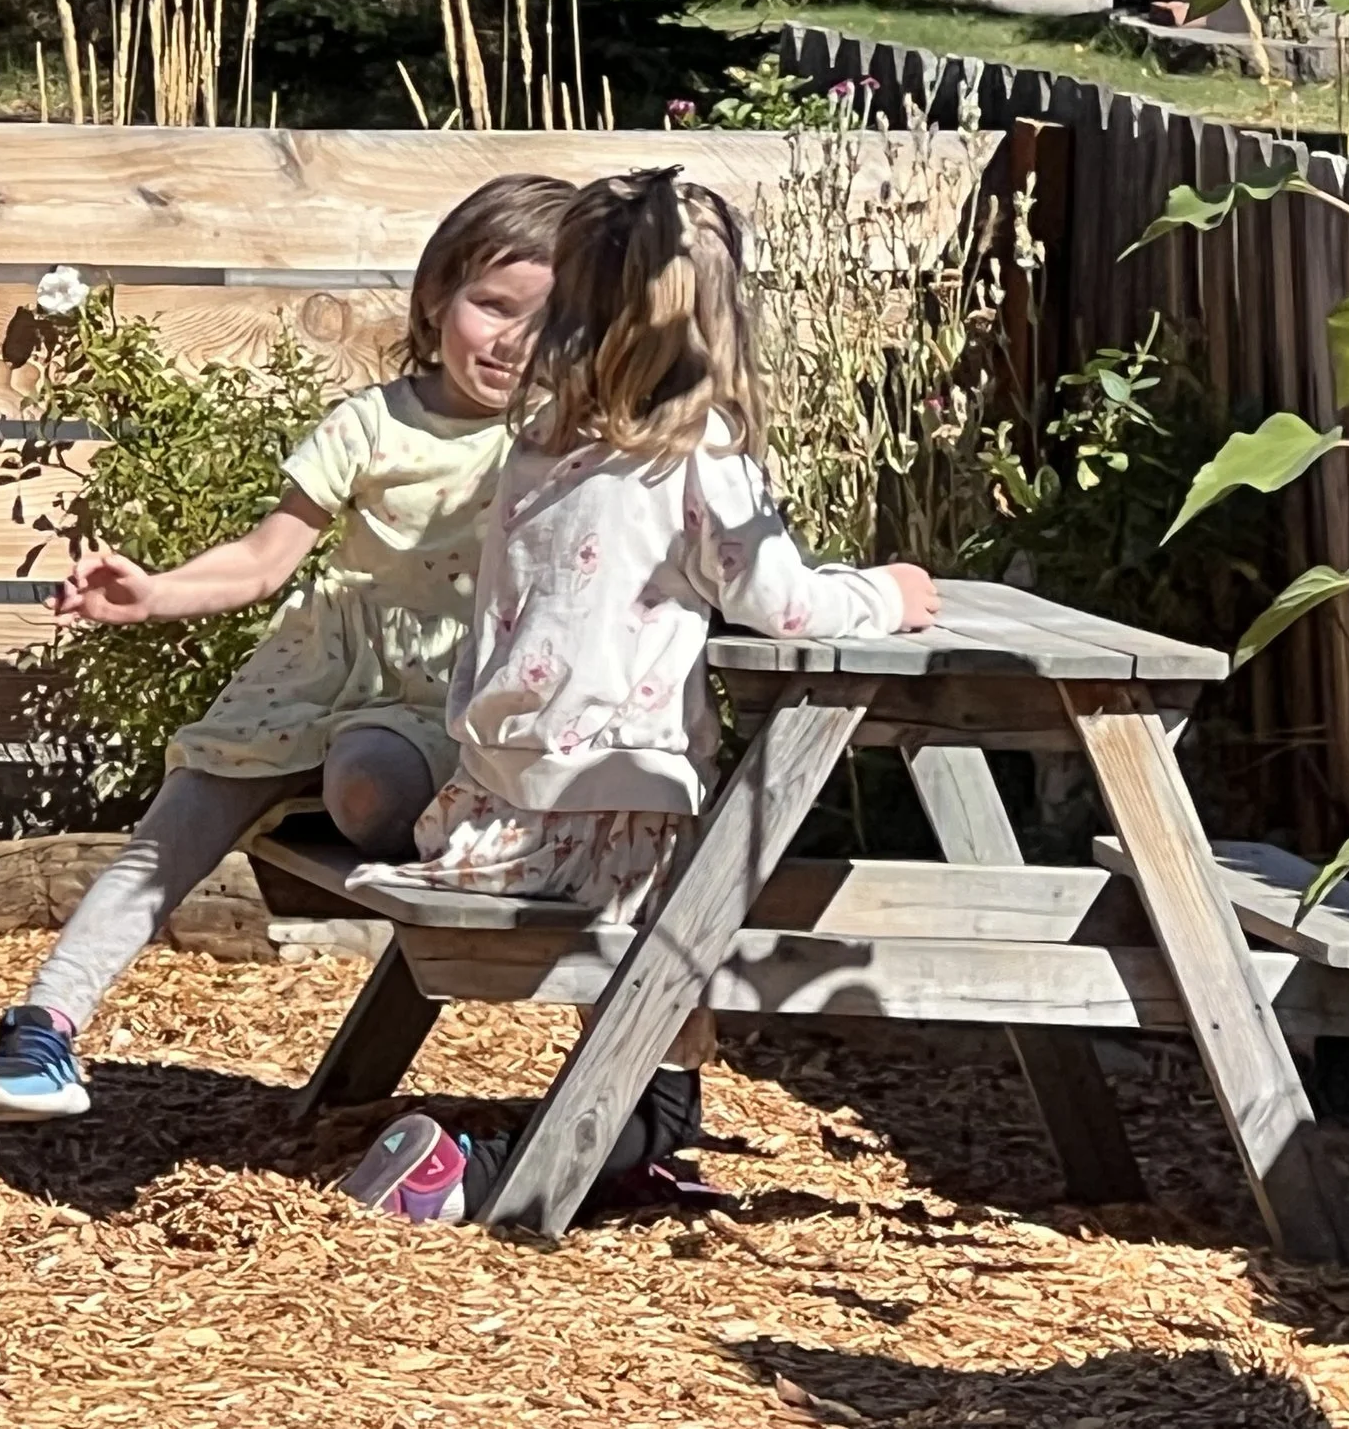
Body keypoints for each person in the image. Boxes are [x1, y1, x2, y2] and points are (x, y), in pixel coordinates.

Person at [340, 167, 940, 1221]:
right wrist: (887, 594)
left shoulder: (543, 440)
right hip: (614, 815)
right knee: (663, 1043)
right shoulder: (697, 454)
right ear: (718, 317)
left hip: (488, 809)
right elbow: (785, 606)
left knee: (661, 1010)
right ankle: (472, 1170)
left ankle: (621, 1150)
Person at [0, 172, 576, 1123]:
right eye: (491, 306)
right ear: (436, 299)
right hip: (321, 667)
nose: (509, 341)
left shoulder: (554, 439)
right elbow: (263, 558)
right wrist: (155, 592)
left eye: (543, 321)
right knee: (185, 808)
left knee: (367, 781)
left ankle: (346, 792)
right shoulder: (373, 423)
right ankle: (46, 1022)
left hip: (442, 699)